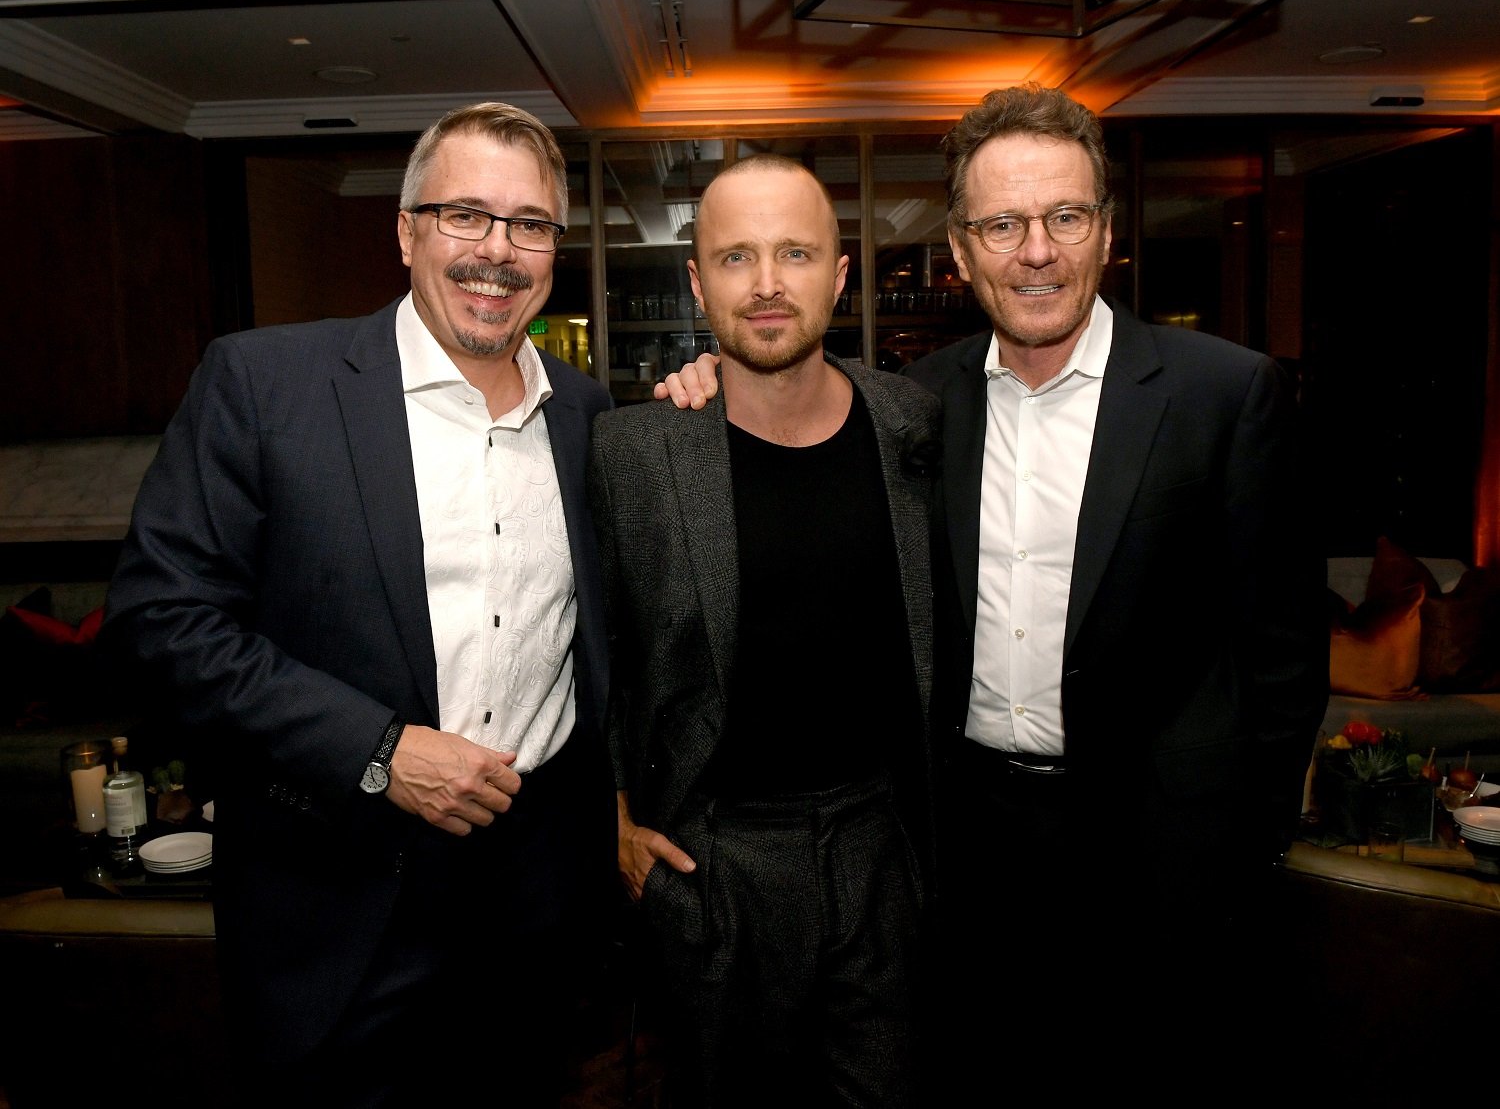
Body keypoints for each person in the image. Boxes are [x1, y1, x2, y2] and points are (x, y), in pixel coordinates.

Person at [657, 84, 1328, 1091]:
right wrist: (703, 384)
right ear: (962, 251)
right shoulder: (913, 408)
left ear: (1105, 232)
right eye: (1003, 225)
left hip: (1161, 855)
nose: (1038, 251)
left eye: (1065, 217)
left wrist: (1240, 834)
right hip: (964, 850)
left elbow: (1282, 649)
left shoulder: (1222, 396)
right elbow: (785, 402)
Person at [103, 102, 616, 1107]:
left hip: (534, 908)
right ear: (406, 229)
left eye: (530, 224)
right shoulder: (264, 384)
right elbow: (159, 624)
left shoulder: (589, 416)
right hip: (336, 911)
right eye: (464, 214)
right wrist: (379, 749)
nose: (497, 251)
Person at [587, 154, 942, 1107]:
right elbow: (594, 648)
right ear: (698, 282)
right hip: (716, 858)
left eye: (795, 252)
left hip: (882, 845)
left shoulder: (912, 421)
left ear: (841, 271)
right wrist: (611, 814)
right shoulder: (634, 451)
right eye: (738, 257)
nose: (769, 282)